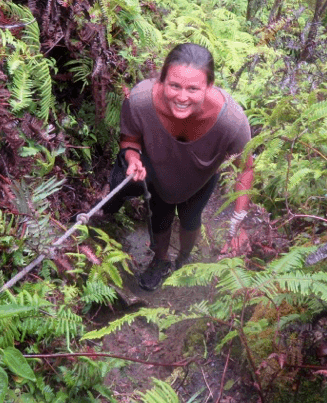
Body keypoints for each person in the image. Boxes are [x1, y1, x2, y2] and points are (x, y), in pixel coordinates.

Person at [104, 43, 254, 291]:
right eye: (174, 86)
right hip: (159, 175)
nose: (182, 97)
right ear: (161, 80)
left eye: (193, 88)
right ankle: (160, 260)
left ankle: (184, 259)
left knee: (190, 220)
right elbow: (130, 139)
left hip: (200, 180)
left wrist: (238, 223)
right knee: (159, 217)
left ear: (209, 87)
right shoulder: (141, 102)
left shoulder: (231, 122)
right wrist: (133, 159)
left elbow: (245, 167)